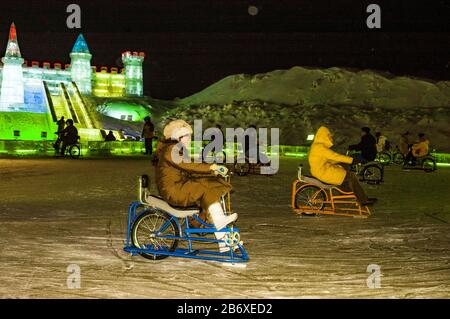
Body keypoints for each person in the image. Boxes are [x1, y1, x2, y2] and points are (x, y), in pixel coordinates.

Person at [155, 119, 240, 252]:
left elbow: (190, 167)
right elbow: (189, 166)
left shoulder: (178, 149)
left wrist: (212, 173)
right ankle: (220, 222)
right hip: (173, 190)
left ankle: (224, 240)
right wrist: (211, 167)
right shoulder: (171, 150)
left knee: (208, 184)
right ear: (178, 136)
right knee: (205, 188)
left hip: (179, 186)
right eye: (187, 136)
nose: (189, 139)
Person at [309, 126, 376, 206]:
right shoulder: (320, 147)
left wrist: (341, 160)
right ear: (323, 136)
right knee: (350, 176)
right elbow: (334, 156)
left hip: (322, 169)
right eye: (328, 135)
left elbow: (329, 159)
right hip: (322, 172)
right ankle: (361, 199)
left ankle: (358, 195)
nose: (330, 137)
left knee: (346, 171)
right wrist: (351, 160)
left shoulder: (317, 145)